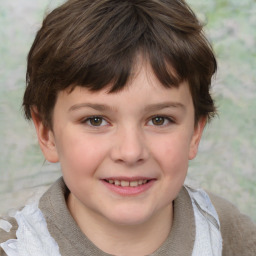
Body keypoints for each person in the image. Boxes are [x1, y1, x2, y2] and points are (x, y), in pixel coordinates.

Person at [0, 0, 255, 255]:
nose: (131, 152)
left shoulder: (230, 234)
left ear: (195, 133)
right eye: (95, 120)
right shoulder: (12, 247)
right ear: (47, 134)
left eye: (159, 120)